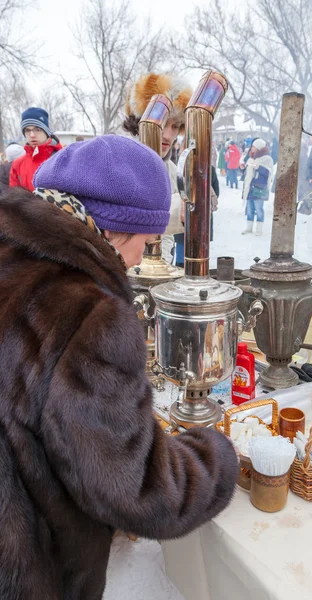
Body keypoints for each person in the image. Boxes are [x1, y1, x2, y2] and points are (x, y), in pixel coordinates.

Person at [0, 135, 238, 599]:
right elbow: (138, 491)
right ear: (113, 229)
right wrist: (217, 456)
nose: (137, 261)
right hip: (30, 570)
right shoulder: (87, 317)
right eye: (146, 243)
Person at [123, 73, 193, 263]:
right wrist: (182, 207)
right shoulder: (121, 158)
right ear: (139, 121)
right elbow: (124, 217)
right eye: (162, 123)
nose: (169, 135)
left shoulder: (170, 168)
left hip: (159, 269)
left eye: (176, 126)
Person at [9, 107, 62, 191]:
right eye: (27, 130)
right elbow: (14, 198)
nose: (32, 135)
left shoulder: (62, 158)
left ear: (46, 132)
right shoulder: (17, 164)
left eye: (37, 129)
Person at [242, 138, 273, 236]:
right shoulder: (251, 158)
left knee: (259, 209)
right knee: (250, 209)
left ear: (259, 148)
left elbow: (269, 173)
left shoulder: (267, 159)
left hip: (260, 188)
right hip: (250, 187)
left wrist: (258, 167)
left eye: (253, 147)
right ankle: (249, 227)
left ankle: (259, 229)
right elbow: (248, 173)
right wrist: (243, 168)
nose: (251, 148)